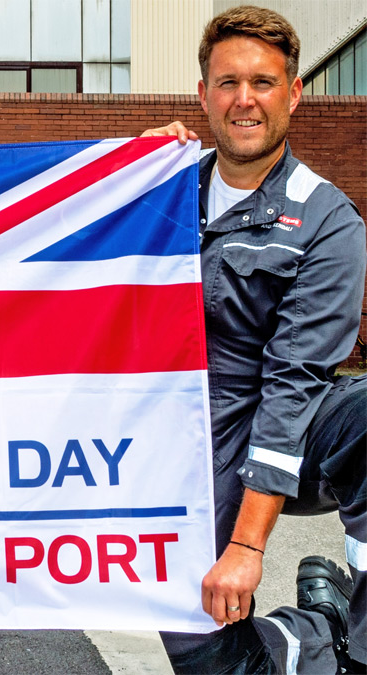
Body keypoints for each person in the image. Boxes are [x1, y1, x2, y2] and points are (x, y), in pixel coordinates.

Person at [142, 5, 365, 673]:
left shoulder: (326, 218)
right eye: (228, 82)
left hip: (289, 429)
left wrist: (246, 546)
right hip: (184, 437)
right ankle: (319, 628)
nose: (245, 99)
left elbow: (293, 384)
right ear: (203, 95)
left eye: (263, 82)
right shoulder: (160, 190)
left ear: (293, 94)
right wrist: (127, 176)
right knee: (208, 656)